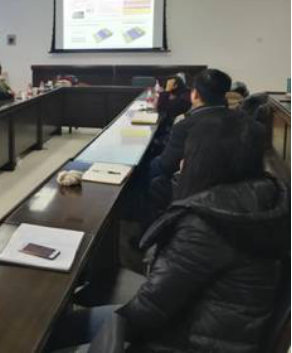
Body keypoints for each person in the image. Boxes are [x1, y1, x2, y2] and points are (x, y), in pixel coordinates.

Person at [50, 112, 290, 353]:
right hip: (215, 330)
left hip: (185, 340)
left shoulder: (207, 223)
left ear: (205, 160)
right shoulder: (261, 199)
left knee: (50, 333)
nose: (182, 161)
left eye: (190, 154)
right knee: (66, 328)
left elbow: (148, 310)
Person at [150, 68, 232, 179]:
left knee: (152, 165)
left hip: (194, 182)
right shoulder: (243, 119)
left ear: (195, 95)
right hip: (230, 179)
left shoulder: (184, 126)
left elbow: (166, 165)